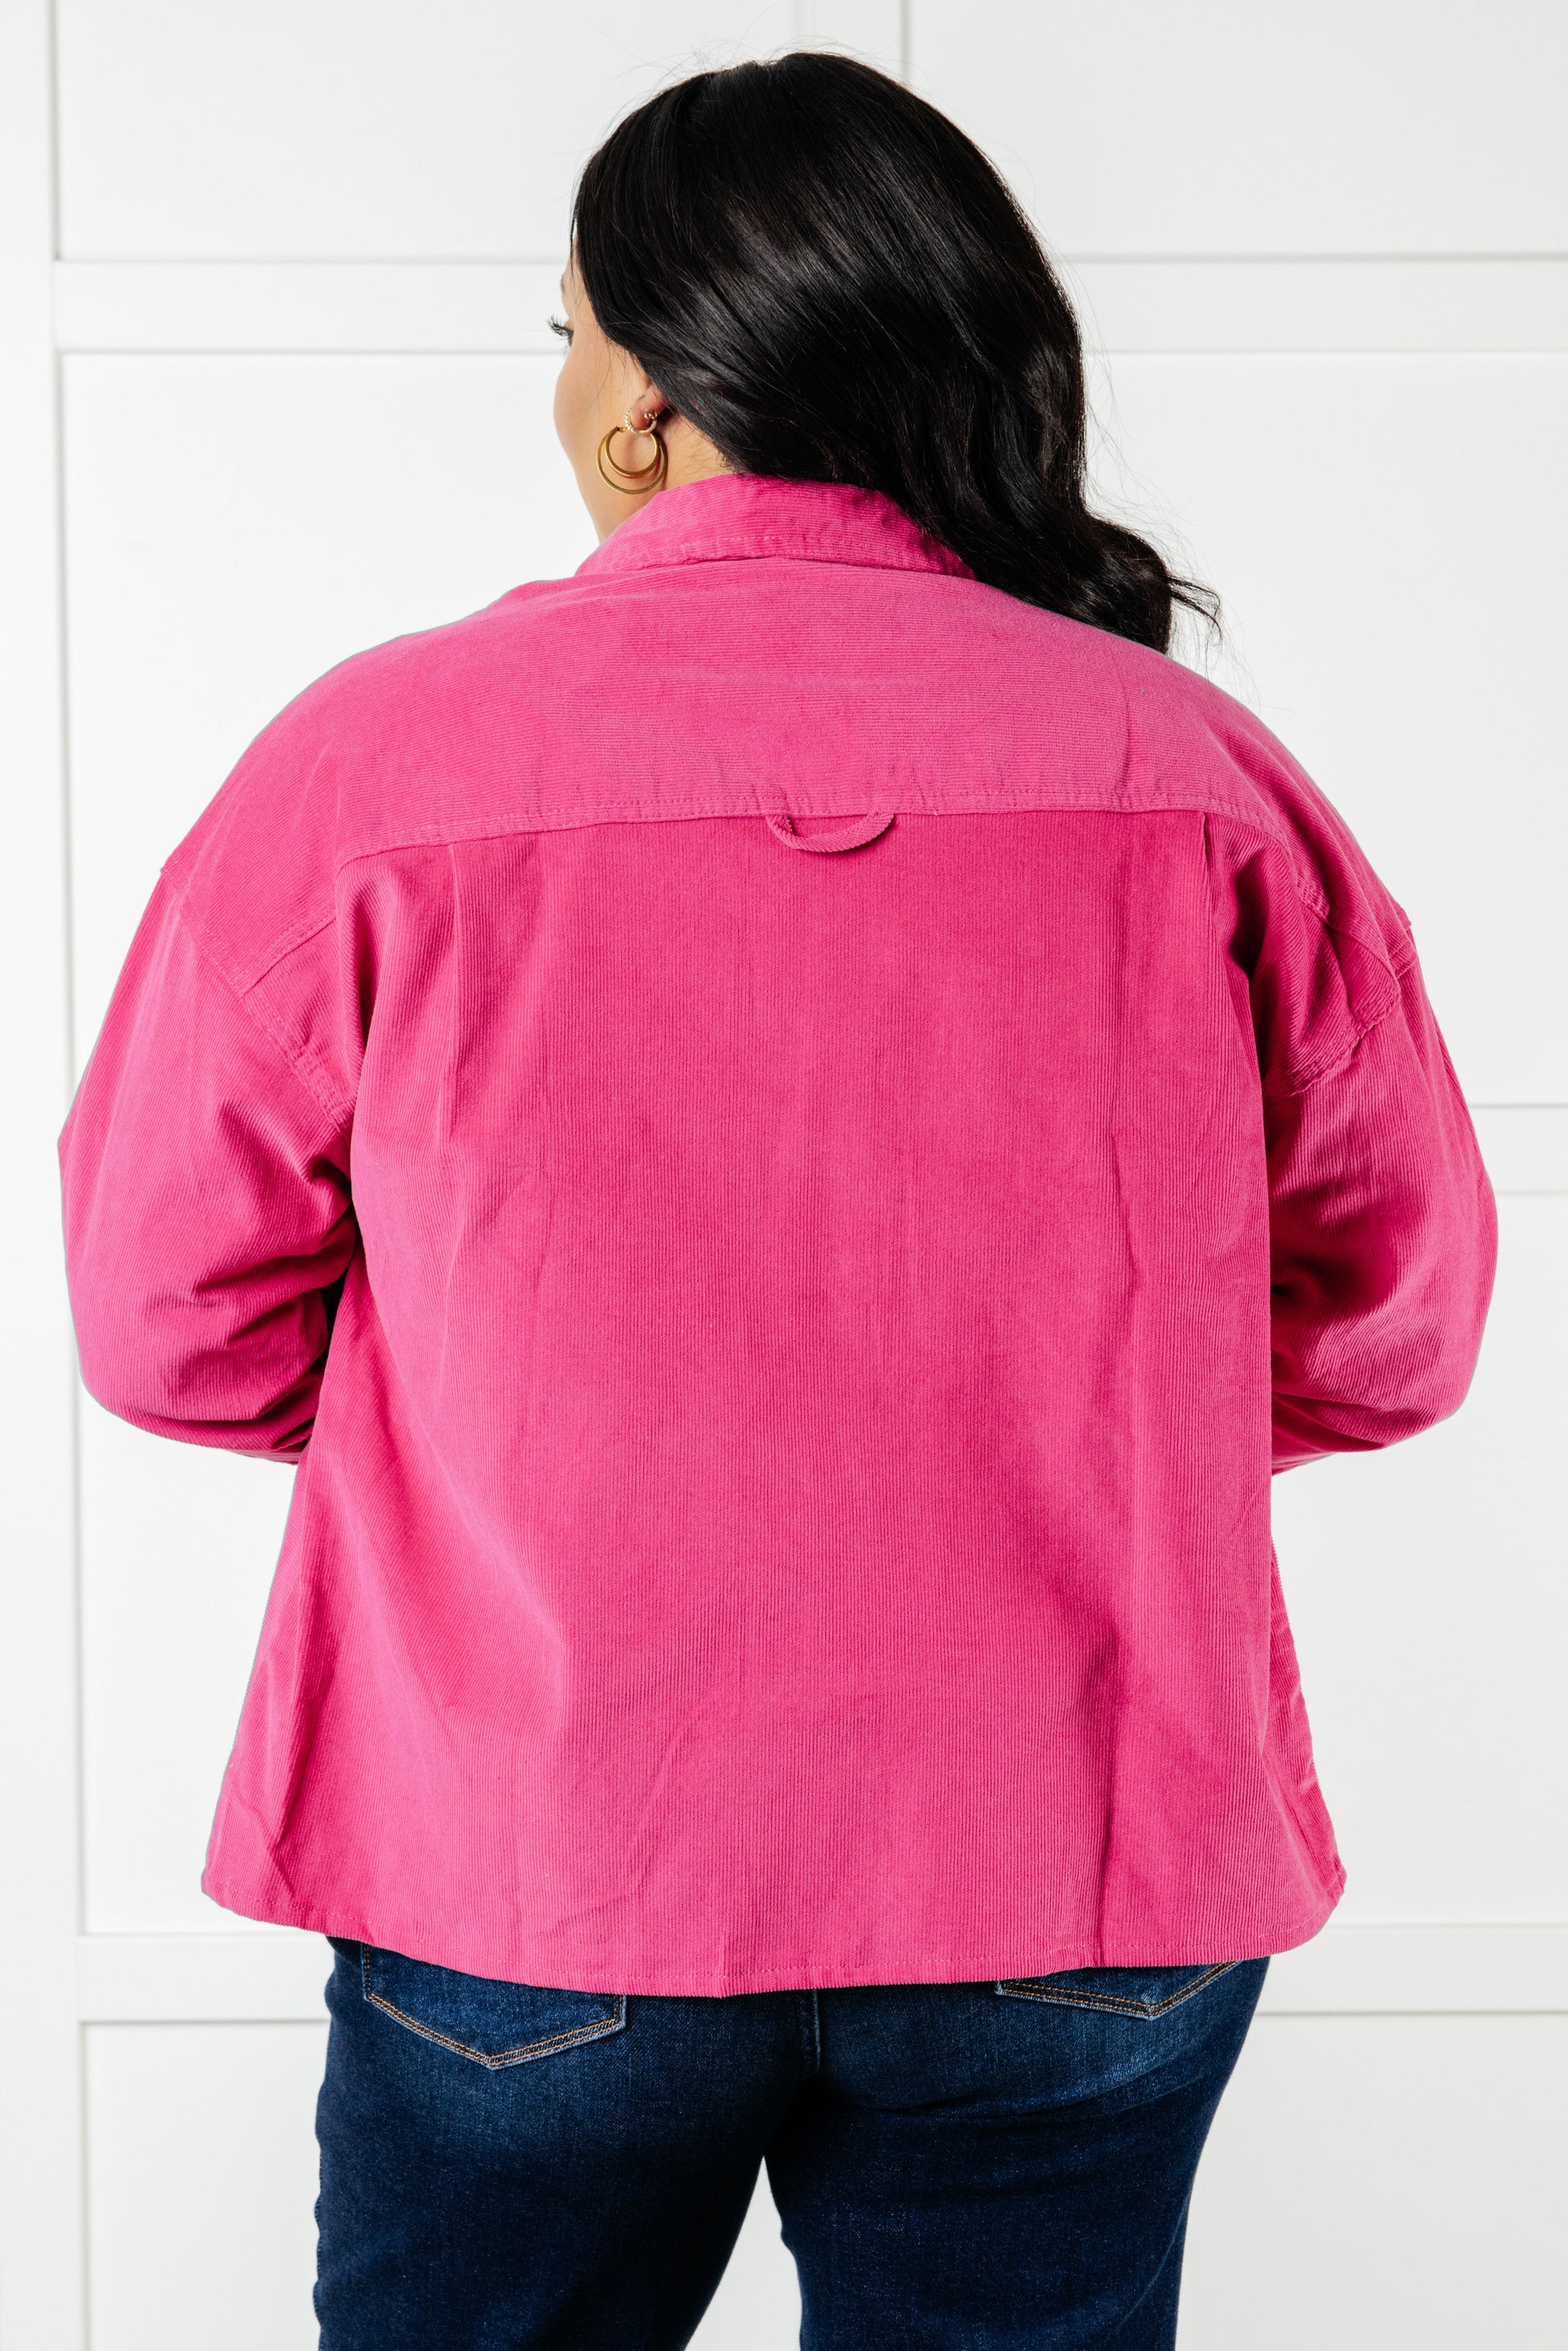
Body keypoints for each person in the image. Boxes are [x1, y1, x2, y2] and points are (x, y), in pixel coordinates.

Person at [57, 50, 1495, 2351]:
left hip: (536, 1862)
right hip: (1073, 1858)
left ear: (645, 402)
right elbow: (1391, 1323)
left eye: (567, 336)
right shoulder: (1198, 778)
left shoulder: (373, 767)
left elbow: (166, 1323)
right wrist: (1060, 1419)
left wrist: (503, 1426)